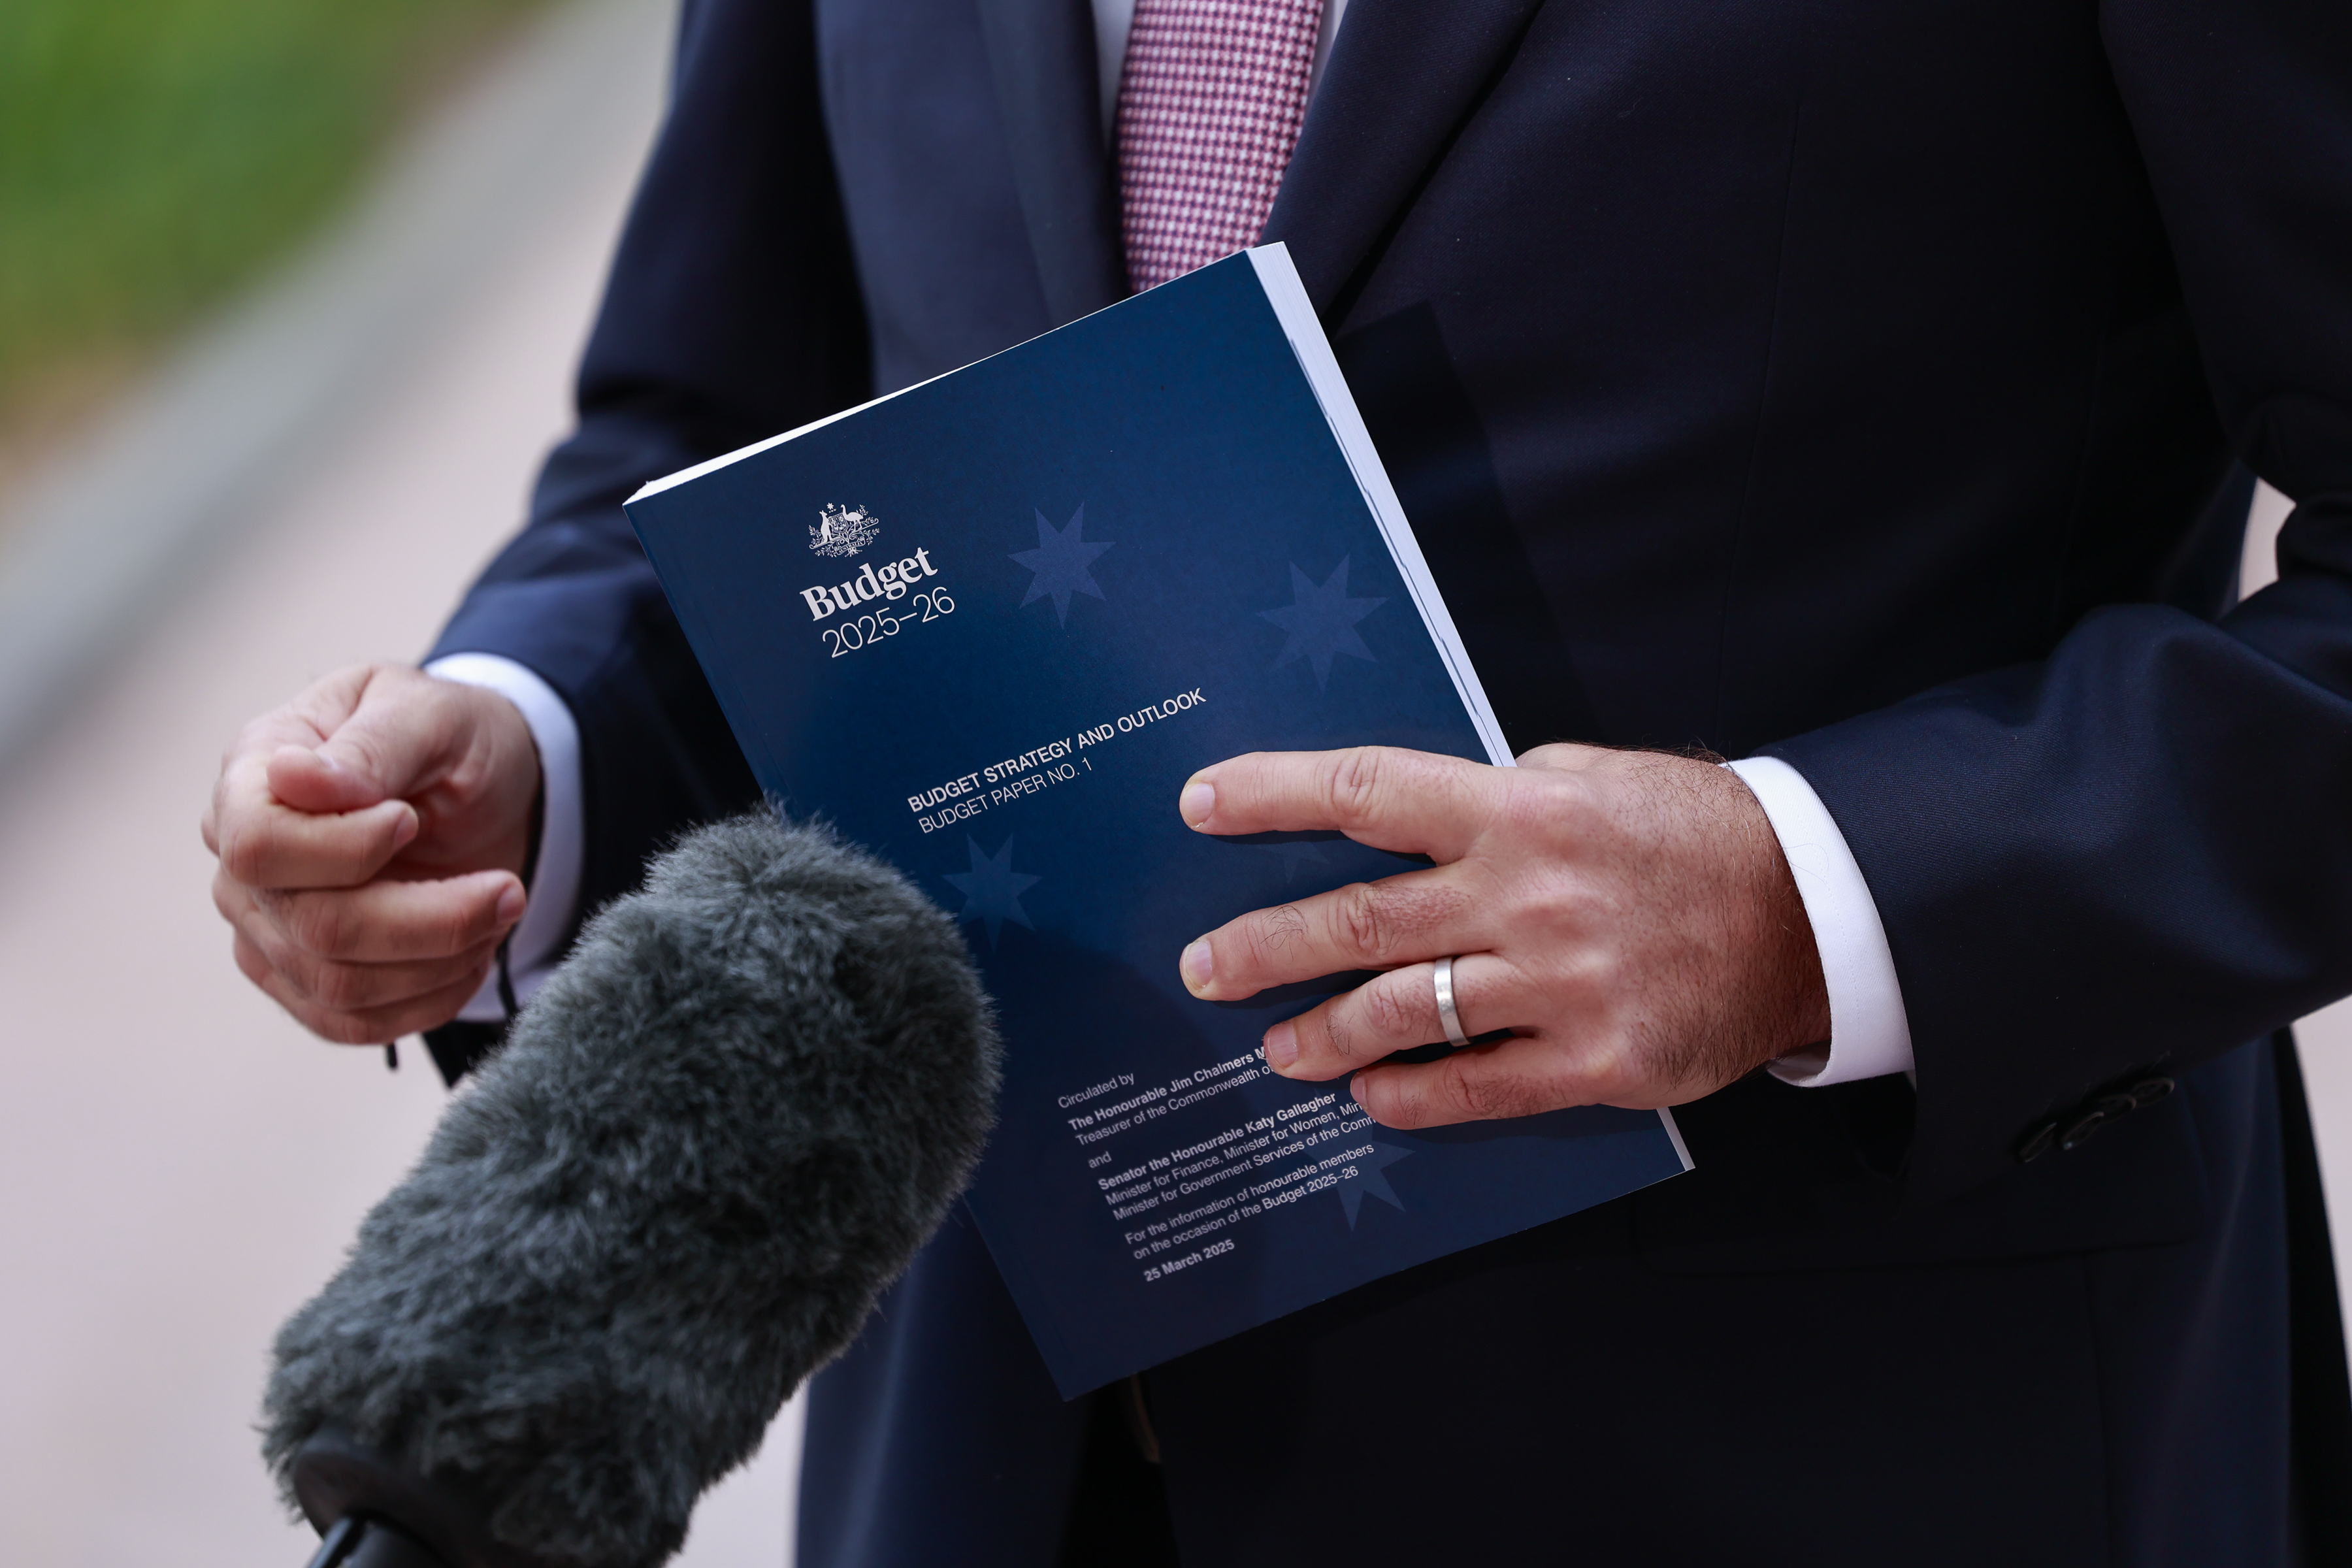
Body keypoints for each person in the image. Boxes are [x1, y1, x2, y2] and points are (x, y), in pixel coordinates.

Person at [204, 0, 2352, 1560]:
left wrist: (1814, 894)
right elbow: (733, 429)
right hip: (996, 1449)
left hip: (1853, 1445)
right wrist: (523, 754)